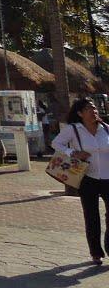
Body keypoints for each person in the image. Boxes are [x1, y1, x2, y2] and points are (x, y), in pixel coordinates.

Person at [51, 98, 109, 266]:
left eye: (95, 108)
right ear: (80, 113)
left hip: (108, 178)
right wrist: (73, 152)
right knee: (91, 217)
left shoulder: (105, 129)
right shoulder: (74, 129)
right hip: (87, 179)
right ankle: (96, 253)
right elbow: (56, 143)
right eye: (89, 109)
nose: (94, 111)